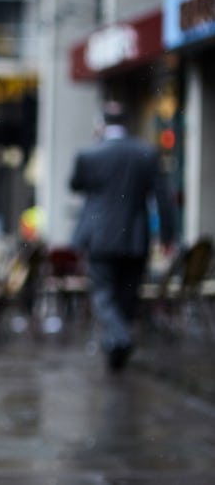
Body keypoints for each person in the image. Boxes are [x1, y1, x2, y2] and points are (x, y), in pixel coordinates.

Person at [70, 100, 176, 372]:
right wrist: (167, 236)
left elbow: (76, 184)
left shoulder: (90, 155)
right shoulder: (146, 153)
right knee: (127, 296)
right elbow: (163, 198)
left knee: (104, 295)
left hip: (101, 236)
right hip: (135, 237)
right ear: (126, 123)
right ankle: (118, 345)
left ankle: (120, 339)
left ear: (102, 124)